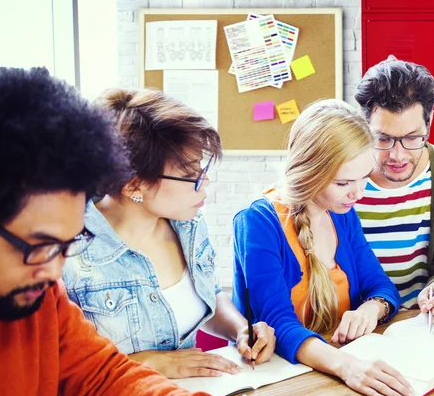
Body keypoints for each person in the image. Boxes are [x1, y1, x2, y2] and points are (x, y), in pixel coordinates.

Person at [0, 67, 262, 396]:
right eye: (40, 247)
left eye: (69, 244)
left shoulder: (42, 296)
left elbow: (101, 379)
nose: (55, 275)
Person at [63, 88, 275, 380]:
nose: (205, 182)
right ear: (133, 185)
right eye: (190, 176)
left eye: (202, 168)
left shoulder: (188, 223)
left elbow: (208, 294)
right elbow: (56, 373)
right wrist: (151, 364)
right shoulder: (66, 253)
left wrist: (241, 329)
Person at [232, 99, 414, 396]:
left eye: (364, 178)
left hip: (338, 372)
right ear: (310, 172)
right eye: (343, 182)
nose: (358, 193)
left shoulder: (342, 211)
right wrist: (348, 367)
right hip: (286, 381)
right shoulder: (258, 221)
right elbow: (279, 324)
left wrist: (372, 308)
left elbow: (380, 286)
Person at [353, 55, 434, 324]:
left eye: (412, 138)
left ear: (429, 124)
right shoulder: (342, 174)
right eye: (383, 139)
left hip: (418, 323)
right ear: (364, 127)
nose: (397, 155)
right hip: (350, 322)